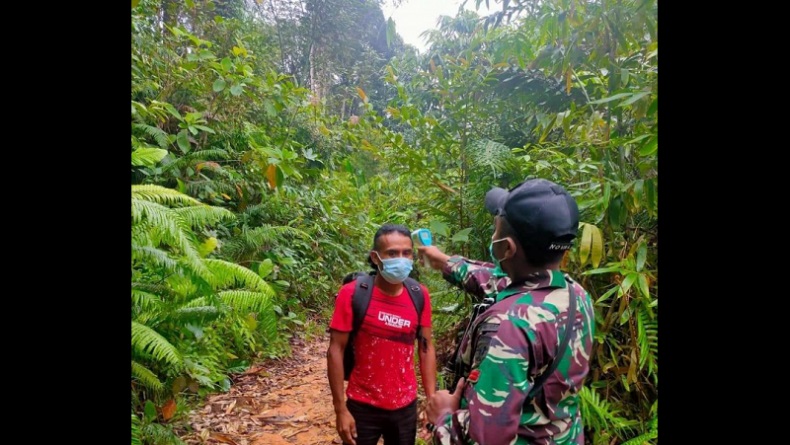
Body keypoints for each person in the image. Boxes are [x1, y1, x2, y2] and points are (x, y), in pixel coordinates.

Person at [418, 178, 595, 445]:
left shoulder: (509, 328)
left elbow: (487, 436)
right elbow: (495, 281)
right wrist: (443, 260)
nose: (493, 236)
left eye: (496, 229)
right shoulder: (576, 295)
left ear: (507, 248)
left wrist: (443, 418)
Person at [327, 223, 438, 445]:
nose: (401, 259)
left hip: (405, 407)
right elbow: (335, 350)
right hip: (362, 405)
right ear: (376, 258)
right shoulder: (352, 293)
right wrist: (340, 409)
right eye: (392, 253)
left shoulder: (419, 295)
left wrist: (431, 399)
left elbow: (426, 348)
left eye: (407, 253)